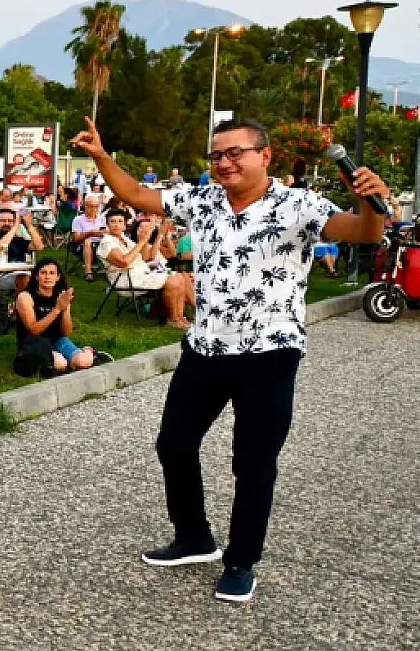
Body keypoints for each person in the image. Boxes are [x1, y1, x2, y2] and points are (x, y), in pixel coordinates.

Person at [73, 115, 391, 604]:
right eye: (216, 155)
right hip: (206, 347)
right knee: (174, 444)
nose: (224, 162)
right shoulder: (201, 201)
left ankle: (241, 560)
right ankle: (194, 537)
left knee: (253, 461)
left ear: (264, 156)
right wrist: (99, 155)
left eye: (234, 152)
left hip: (269, 352)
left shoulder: (298, 204)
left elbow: (364, 233)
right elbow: (137, 195)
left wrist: (368, 201)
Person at [96, 210, 194, 328]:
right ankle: (172, 319)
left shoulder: (125, 240)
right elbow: (123, 262)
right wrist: (142, 241)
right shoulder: (107, 242)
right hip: (126, 278)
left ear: (124, 225)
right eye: (112, 221)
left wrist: (147, 238)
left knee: (179, 277)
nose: (116, 224)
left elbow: (146, 258)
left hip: (142, 272)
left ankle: (180, 317)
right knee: (172, 281)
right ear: (107, 224)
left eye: (119, 221)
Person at [14, 257, 96, 376]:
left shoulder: (60, 296)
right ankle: (63, 363)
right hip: (35, 343)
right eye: (43, 273)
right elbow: (33, 329)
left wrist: (64, 309)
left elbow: (66, 331)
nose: (48, 277)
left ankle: (88, 352)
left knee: (84, 361)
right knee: (60, 364)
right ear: (36, 276)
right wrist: (57, 309)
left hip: (57, 339)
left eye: (52, 273)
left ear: (58, 277)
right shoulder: (25, 297)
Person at [70, 194, 108, 279]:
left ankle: (111, 270)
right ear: (85, 206)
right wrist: (89, 233)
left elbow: (106, 231)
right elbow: (75, 239)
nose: (94, 209)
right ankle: (88, 271)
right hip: (82, 247)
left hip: (101, 245)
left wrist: (104, 232)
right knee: (88, 241)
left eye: (96, 206)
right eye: (91, 206)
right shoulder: (78, 220)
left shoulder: (102, 218)